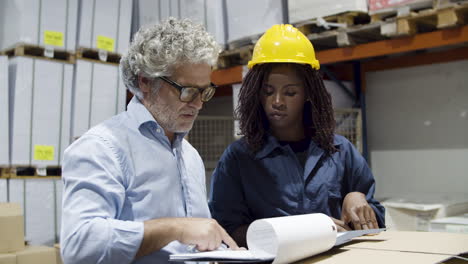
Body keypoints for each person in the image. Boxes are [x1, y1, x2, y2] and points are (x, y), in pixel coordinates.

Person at [60, 18, 238, 264]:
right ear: (145, 82)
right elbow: (79, 245)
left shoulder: (189, 156)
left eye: (204, 91)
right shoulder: (102, 148)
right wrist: (176, 229)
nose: (198, 104)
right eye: (187, 91)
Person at [209, 24, 385, 247]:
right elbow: (226, 229)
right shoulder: (238, 159)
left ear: (308, 95)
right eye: (268, 91)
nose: (277, 102)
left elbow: (377, 220)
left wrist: (357, 199)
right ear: (256, 93)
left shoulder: (341, 152)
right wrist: (298, 232)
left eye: (290, 92)